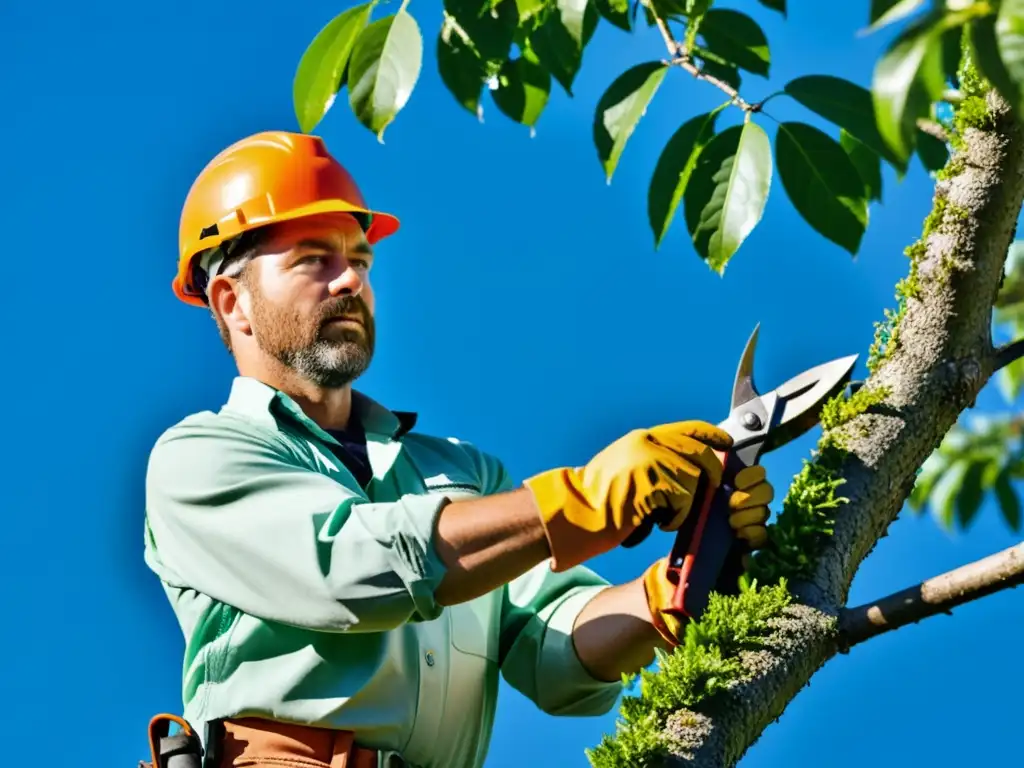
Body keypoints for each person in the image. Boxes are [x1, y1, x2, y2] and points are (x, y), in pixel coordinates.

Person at [143, 130, 775, 768]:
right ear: (233, 301)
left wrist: (668, 591)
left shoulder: (459, 475)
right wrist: (578, 501)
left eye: (360, 261)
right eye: (314, 260)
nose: (349, 283)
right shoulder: (200, 458)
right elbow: (348, 568)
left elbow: (550, 643)